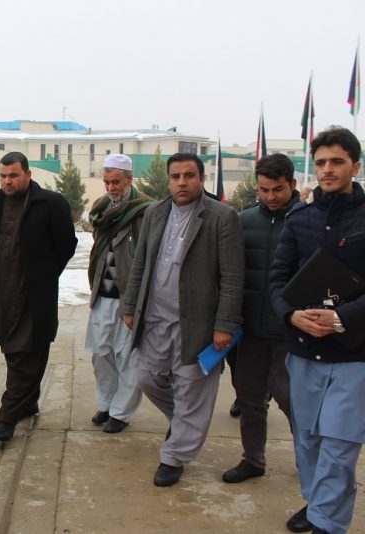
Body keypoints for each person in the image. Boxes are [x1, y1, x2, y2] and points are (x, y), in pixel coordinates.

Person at [122, 152, 244, 487]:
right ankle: (184, 424)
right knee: (146, 376)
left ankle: (174, 457)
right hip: (156, 318)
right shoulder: (155, 213)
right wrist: (130, 306)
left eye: (189, 176)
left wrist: (225, 325)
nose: (182, 182)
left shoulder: (222, 217)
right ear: (168, 180)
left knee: (192, 389)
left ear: (201, 179)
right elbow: (140, 263)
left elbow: (233, 277)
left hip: (198, 324)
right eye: (175, 177)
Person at [271, 127, 365, 534]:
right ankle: (317, 504)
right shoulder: (299, 218)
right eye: (321, 162)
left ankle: (328, 522)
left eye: (337, 162)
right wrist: (291, 315)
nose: (327, 169)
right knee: (308, 439)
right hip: (304, 349)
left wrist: (343, 318)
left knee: (340, 445)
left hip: (354, 354)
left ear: (355, 166)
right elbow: (277, 280)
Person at [0, 151, 77, 442]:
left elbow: (67, 245)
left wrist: (45, 275)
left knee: (28, 351)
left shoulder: (51, 203)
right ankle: (28, 401)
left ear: (27, 174)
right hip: (2, 292)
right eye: (3, 176)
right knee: (14, 350)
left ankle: (7, 418)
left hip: (34, 295)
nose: (7, 181)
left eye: (13, 175)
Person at [222, 153, 298, 484]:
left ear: (292, 184)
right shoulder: (243, 221)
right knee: (249, 396)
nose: (270, 196)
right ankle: (253, 459)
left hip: (291, 332)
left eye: (277, 189)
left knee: (290, 398)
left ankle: (308, 460)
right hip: (251, 331)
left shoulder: (306, 221)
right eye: (264, 190)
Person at [85, 154, 153, 433]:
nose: (111, 187)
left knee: (126, 356)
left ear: (129, 179)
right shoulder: (102, 209)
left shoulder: (147, 210)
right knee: (101, 352)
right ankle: (106, 403)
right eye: (107, 182)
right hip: (102, 294)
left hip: (129, 296)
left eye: (116, 182)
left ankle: (121, 413)